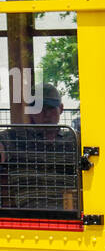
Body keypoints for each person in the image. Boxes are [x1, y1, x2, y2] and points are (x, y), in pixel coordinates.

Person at [0, 83, 79, 214]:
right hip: (31, 215)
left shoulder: (73, 140)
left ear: (61, 108)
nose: (46, 114)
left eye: (50, 108)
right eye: (39, 108)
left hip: (71, 213)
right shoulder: (14, 137)